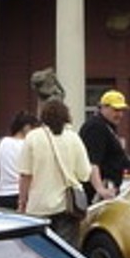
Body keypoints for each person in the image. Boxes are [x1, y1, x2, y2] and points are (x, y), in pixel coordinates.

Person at [18, 97, 94, 237]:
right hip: (67, 207)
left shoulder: (32, 138)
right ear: (66, 116)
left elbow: (25, 175)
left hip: (38, 206)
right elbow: (84, 174)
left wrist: (22, 202)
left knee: (41, 253)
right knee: (66, 252)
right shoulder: (74, 138)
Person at [79, 89, 130, 200]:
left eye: (122, 110)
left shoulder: (107, 126)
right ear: (103, 107)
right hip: (96, 193)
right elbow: (92, 162)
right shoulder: (96, 127)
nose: (120, 114)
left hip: (106, 188)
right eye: (116, 110)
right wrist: (100, 189)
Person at [0, 111, 33, 210]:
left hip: (2, 194)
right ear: (27, 128)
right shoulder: (27, 145)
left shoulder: (1, 143)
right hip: (20, 193)